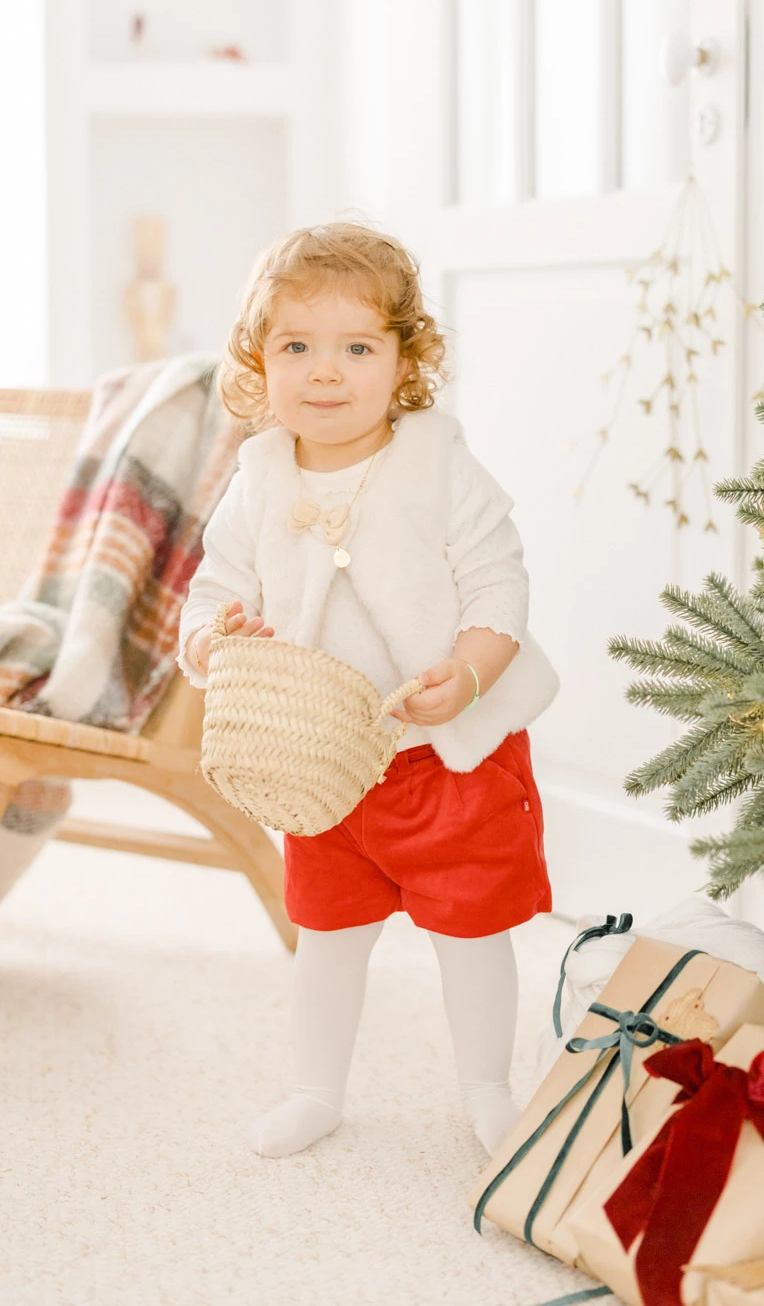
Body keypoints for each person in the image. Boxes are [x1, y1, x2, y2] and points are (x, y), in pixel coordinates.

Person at [178, 220, 559, 1159]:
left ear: (404, 363)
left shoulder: (437, 462)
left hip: (447, 754)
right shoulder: (259, 474)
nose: (324, 372)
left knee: (470, 936)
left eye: (357, 348)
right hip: (322, 765)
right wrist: (214, 640)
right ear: (259, 362)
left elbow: (498, 580)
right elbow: (214, 590)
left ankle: (485, 1088)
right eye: (295, 347)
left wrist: (468, 673)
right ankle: (316, 1088)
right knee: (329, 936)